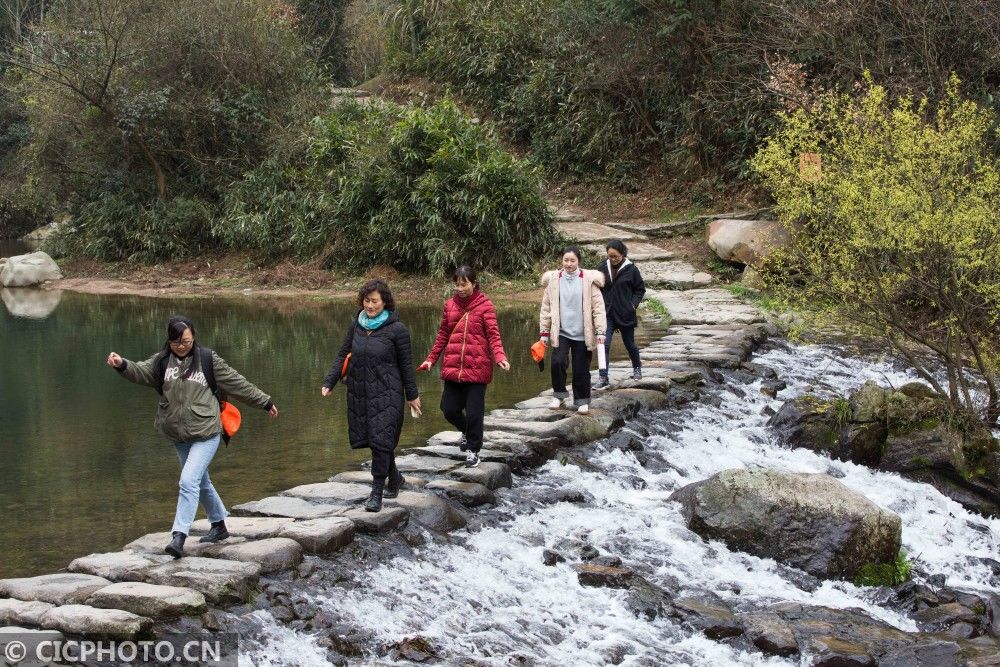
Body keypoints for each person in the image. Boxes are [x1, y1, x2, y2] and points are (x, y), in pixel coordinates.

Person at [107, 315, 278, 559]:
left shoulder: (208, 359)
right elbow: (142, 372)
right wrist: (121, 364)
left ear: (193, 336)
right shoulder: (162, 361)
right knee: (201, 480)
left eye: (185, 341)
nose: (181, 346)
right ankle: (219, 525)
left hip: (207, 432)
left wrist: (265, 401)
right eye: (176, 342)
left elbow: (237, 382)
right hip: (178, 434)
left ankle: (179, 535)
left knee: (188, 481)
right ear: (169, 341)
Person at [322, 280, 421, 512]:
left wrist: (412, 395)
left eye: (374, 301)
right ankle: (394, 477)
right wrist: (330, 381)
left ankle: (376, 492)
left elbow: (406, 365)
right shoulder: (356, 325)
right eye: (366, 301)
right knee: (378, 440)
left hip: (389, 393)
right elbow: (342, 354)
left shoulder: (397, 330)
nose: (369, 305)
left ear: (384, 301)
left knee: (381, 439)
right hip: (362, 392)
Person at [418, 266, 511, 468]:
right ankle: (467, 432)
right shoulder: (449, 305)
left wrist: (500, 356)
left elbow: (493, 335)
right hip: (453, 367)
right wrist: (431, 359)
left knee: (475, 412)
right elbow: (443, 334)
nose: (460, 288)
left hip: (477, 367)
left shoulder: (485, 306)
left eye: (464, 284)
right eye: (457, 284)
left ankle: (473, 450)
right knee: (448, 409)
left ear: (474, 284)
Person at [540, 247, 606, 413]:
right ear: (561, 261)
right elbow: (546, 308)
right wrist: (544, 334)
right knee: (557, 362)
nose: (568, 264)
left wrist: (600, 331)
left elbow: (598, 308)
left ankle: (582, 400)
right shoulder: (554, 280)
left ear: (578, 262)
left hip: (583, 332)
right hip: (561, 331)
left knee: (581, 368)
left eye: (572, 260)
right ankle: (559, 395)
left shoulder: (589, 280)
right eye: (565, 260)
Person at [596, 239, 646, 389]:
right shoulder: (602, 268)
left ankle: (637, 368)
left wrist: (632, 304)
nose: (612, 259)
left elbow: (640, 289)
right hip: (608, 313)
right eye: (609, 256)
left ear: (622, 254)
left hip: (625, 313)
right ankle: (603, 377)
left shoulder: (631, 269)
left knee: (630, 344)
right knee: (603, 344)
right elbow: (596, 287)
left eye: (615, 256)